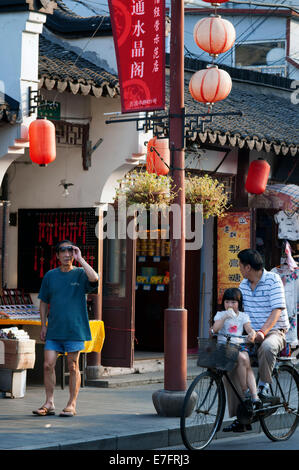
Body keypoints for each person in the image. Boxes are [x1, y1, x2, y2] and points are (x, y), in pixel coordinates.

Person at [223, 248, 289, 433]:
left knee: (267, 346)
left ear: (248, 267)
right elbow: (241, 314)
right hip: (251, 333)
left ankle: (264, 387)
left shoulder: (273, 280)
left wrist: (262, 331)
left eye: (240, 266)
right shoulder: (244, 285)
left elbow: (277, 310)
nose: (239, 269)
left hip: (274, 331)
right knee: (230, 361)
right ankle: (242, 415)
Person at [33, 240, 99, 417]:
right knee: (47, 365)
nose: (67, 254)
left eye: (70, 251)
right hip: (54, 329)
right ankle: (49, 402)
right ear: (57, 255)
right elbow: (43, 302)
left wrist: (81, 259)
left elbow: (95, 279)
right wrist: (43, 326)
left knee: (72, 366)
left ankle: (71, 404)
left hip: (75, 329)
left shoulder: (80, 273)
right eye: (63, 251)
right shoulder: (50, 276)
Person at [211, 288, 261, 409]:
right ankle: (245, 390)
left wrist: (252, 335)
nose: (230, 305)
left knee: (246, 360)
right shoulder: (220, 314)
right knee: (242, 357)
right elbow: (215, 329)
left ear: (239, 303)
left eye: (233, 302)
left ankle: (255, 397)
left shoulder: (243, 316)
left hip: (239, 346)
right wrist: (224, 318)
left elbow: (249, 329)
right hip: (224, 348)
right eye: (227, 302)